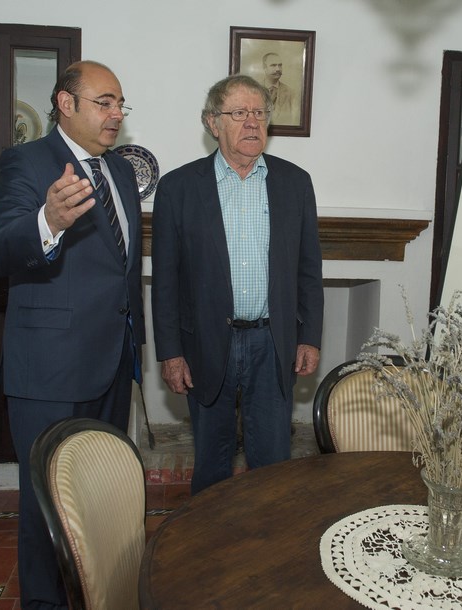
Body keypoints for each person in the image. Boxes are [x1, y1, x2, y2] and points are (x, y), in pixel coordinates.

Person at [0, 60, 144, 609]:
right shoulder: (27, 163)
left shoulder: (120, 172)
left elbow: (122, 273)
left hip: (112, 364)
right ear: (65, 103)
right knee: (47, 509)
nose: (117, 115)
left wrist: (138, 346)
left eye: (121, 104)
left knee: (101, 499)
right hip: (49, 369)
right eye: (105, 102)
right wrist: (47, 222)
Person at [152, 74, 324, 495]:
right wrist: (171, 352)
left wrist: (310, 337)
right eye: (239, 113)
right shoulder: (178, 188)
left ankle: (266, 549)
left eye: (259, 113)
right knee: (211, 462)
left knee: (273, 463)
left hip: (273, 342)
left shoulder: (295, 183)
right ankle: (206, 550)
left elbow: (308, 269)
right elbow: (166, 279)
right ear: (213, 123)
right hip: (207, 343)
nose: (252, 123)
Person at [262, 52, 299, 125]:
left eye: (280, 65)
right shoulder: (254, 90)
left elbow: (294, 122)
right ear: (264, 68)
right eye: (273, 65)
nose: (278, 69)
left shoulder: (291, 93)